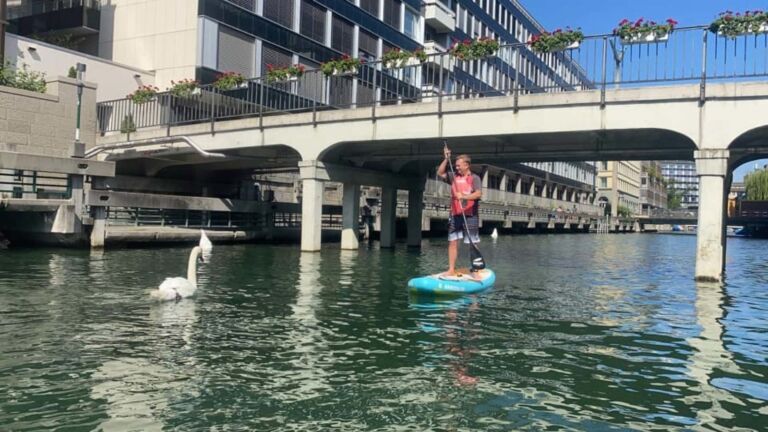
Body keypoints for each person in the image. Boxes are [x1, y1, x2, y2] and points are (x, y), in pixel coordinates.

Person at [437, 144, 482, 277]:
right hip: (455, 214)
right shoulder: (453, 176)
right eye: (455, 165)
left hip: (470, 215)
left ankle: (476, 270)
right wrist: (446, 159)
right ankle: (451, 269)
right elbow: (440, 173)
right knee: (452, 242)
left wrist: (464, 196)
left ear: (467, 165)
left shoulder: (475, 178)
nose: (456, 167)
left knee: (472, 243)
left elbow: (478, 194)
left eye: (458, 165)